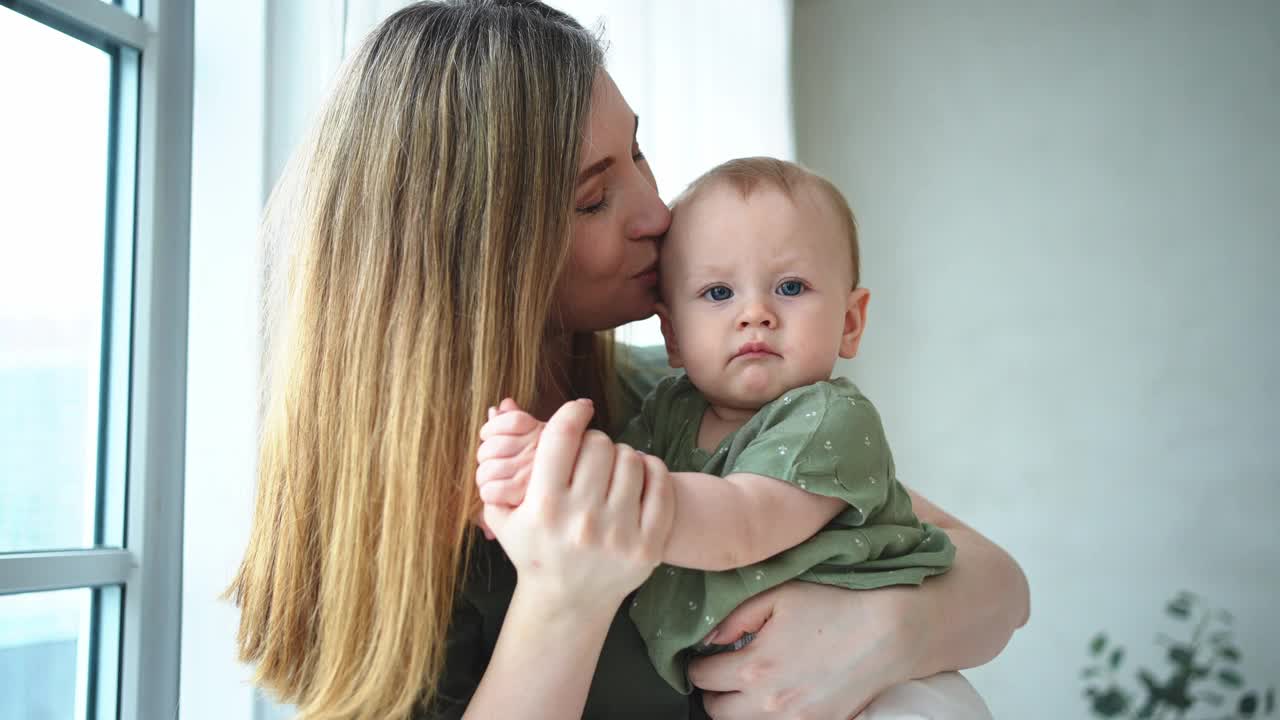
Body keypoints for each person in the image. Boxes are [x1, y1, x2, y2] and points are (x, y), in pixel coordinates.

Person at [226, 2, 1030, 719]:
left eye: (638, 154)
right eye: (592, 197)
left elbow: (998, 582)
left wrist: (887, 632)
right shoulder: (382, 524)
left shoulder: (674, 394)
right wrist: (566, 596)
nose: (658, 211)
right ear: (472, 255)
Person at [474, 156, 987, 715]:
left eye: (790, 287)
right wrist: (540, 469)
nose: (756, 313)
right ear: (671, 332)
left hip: (886, 694)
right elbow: (620, 474)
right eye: (719, 294)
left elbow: (741, 522)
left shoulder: (827, 418)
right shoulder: (666, 407)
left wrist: (573, 474)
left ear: (849, 322)